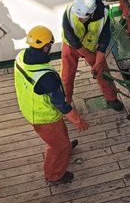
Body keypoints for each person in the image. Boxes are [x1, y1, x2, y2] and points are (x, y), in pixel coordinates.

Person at [13, 25, 88, 185]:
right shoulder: (46, 78)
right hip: (44, 117)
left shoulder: (20, 57)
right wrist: (77, 120)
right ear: (46, 47)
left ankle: (65, 146)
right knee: (57, 146)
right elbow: (61, 104)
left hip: (30, 108)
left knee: (60, 136)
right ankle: (54, 175)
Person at [61, 0, 123, 112]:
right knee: (66, 77)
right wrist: (87, 55)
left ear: (91, 13)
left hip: (92, 47)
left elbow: (103, 41)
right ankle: (66, 103)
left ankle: (111, 98)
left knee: (103, 73)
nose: (78, 19)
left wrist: (98, 63)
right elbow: (71, 38)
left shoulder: (104, 17)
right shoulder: (70, 12)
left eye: (82, 17)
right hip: (71, 46)